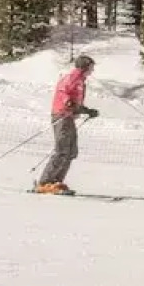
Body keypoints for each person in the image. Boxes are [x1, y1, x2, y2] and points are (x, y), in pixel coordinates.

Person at [36, 54, 98, 195]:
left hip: (69, 117)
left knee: (71, 151)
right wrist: (68, 103)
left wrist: (87, 110)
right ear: (84, 67)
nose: (92, 71)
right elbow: (63, 92)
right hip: (62, 116)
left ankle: (56, 181)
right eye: (91, 67)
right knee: (62, 150)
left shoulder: (81, 81)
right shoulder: (72, 78)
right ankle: (44, 182)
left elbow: (76, 102)